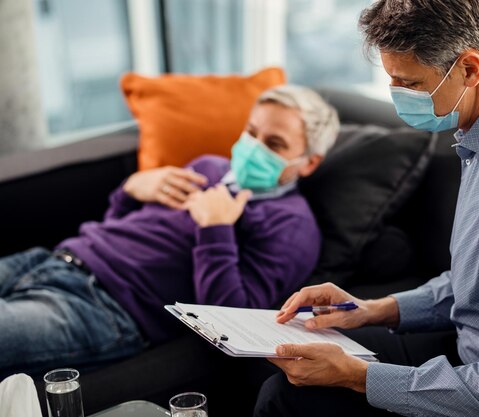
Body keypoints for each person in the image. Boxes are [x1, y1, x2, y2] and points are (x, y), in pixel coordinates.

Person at [253, 1, 479, 417]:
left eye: (409, 83)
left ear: (470, 68)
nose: (397, 97)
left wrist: (355, 376)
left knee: (287, 398)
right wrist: (370, 310)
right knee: (285, 357)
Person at [0, 85, 340, 376]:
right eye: (251, 132)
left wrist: (216, 229)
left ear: (309, 162)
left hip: (102, 308)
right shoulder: (208, 166)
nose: (254, 147)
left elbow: (228, 318)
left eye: (274, 144)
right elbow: (116, 226)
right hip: (52, 260)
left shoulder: (292, 229)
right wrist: (131, 189)